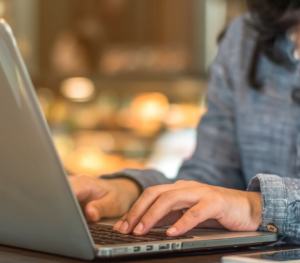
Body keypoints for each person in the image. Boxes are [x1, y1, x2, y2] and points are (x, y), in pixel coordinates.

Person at [70, 0, 300, 243]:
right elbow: (214, 177)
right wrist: (133, 193)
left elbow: (240, 202)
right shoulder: (245, 36)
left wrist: (256, 207)